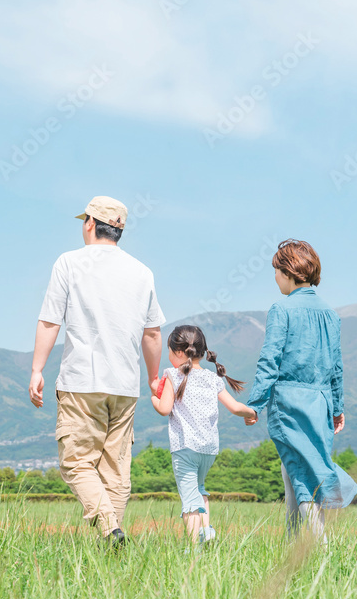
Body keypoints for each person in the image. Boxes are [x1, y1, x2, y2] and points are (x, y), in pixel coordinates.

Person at [29, 196, 166, 547]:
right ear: (119, 230)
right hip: (125, 384)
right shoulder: (142, 271)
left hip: (81, 381)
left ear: (90, 223)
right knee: (116, 473)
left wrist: (37, 369)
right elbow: (152, 333)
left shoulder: (69, 262)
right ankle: (113, 545)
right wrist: (153, 377)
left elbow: (49, 320)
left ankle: (110, 528)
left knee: (76, 463)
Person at [244, 239, 357, 541]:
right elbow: (336, 366)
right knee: (297, 469)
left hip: (290, 402)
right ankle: (294, 548)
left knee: (302, 473)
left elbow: (270, 360)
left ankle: (321, 550)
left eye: (276, 271)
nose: (275, 277)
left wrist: (254, 404)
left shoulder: (281, 309)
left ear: (288, 270)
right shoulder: (331, 314)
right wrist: (337, 407)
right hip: (320, 403)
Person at [151, 325, 257, 544]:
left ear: (179, 352)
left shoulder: (173, 375)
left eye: (169, 351)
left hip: (184, 448)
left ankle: (193, 547)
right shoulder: (213, 378)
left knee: (189, 498)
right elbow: (235, 407)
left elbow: (163, 409)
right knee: (199, 489)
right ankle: (206, 531)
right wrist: (251, 412)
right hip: (208, 450)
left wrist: (153, 397)